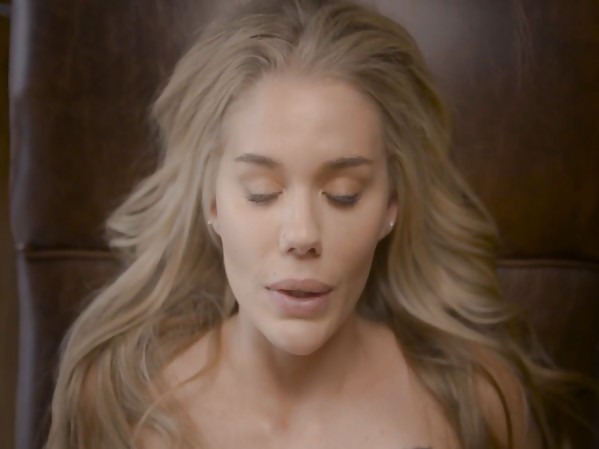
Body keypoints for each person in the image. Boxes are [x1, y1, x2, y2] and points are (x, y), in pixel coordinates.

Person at [44, 1, 591, 448]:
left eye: (343, 194)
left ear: (391, 204)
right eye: (261, 193)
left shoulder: (477, 402)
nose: (302, 235)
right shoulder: (116, 403)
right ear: (211, 203)